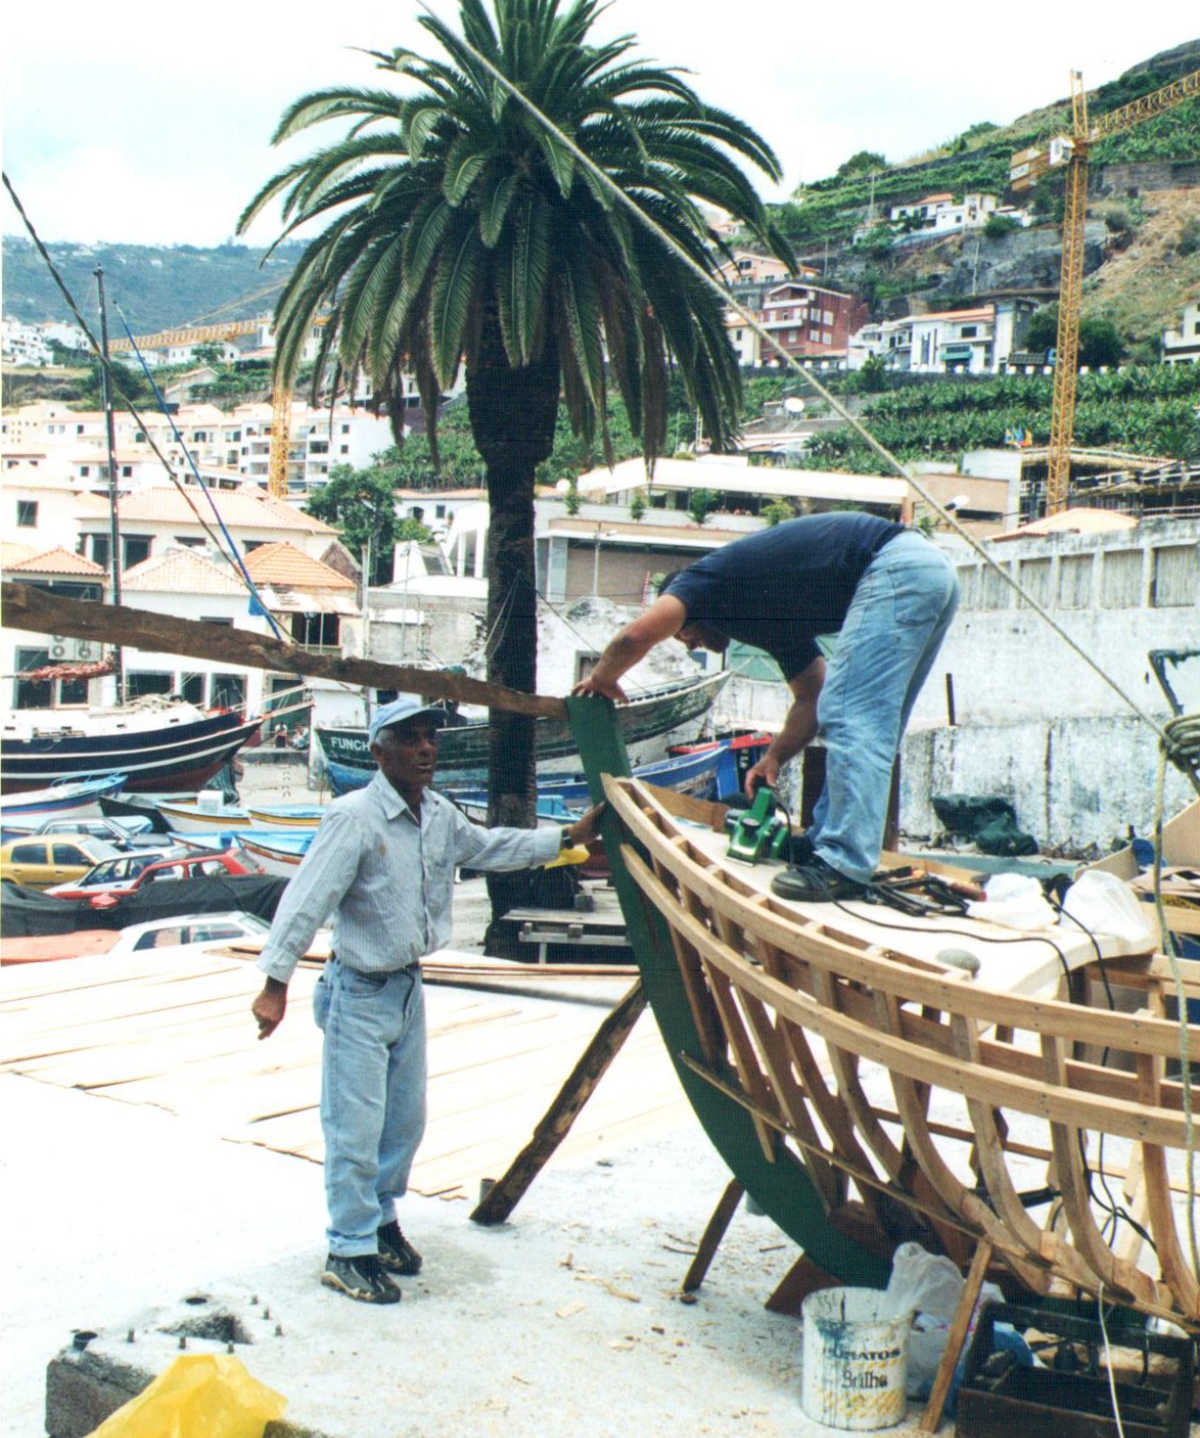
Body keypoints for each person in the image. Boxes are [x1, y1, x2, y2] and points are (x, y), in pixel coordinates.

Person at [252, 695, 603, 1305]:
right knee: (354, 1128)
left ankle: (380, 1222)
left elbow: (491, 846)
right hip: (358, 993)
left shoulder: (437, 815)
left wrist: (563, 839)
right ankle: (348, 1248)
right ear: (377, 751)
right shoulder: (353, 819)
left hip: (408, 990)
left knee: (403, 1125)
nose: (424, 749)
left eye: (430, 738)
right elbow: (304, 901)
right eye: (409, 739)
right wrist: (273, 985)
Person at [574, 511, 958, 903]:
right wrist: (773, 757)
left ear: (686, 610)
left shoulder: (701, 582)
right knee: (870, 723)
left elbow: (635, 636)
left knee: (852, 718)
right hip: (930, 572)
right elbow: (812, 696)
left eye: (682, 634)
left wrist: (602, 680)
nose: (687, 644)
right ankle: (825, 844)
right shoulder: (769, 617)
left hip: (896, 568)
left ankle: (843, 863)